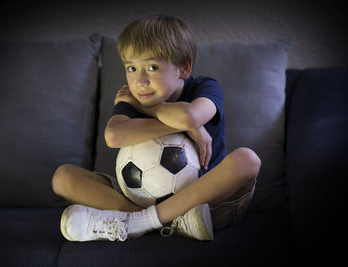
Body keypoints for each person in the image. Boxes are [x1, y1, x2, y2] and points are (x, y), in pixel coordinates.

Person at [52, 14, 261, 242]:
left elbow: (190, 115)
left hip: (204, 201)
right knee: (62, 178)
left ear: (183, 68)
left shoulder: (206, 87)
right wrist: (187, 127)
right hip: (139, 198)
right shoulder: (132, 97)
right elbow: (114, 136)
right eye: (131, 68)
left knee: (248, 160)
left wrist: (154, 111)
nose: (140, 81)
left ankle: (136, 223)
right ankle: (152, 221)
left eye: (152, 67)